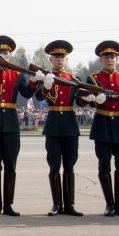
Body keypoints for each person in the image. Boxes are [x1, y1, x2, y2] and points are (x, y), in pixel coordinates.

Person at [0, 35, 41, 216]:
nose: (4, 55)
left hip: (11, 123)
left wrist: (35, 82)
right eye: (0, 53)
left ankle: (9, 204)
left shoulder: (18, 75)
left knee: (11, 164)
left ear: (10, 54)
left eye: (6, 52)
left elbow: (26, 94)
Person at [34, 40, 85, 216]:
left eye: (62, 56)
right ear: (50, 59)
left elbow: (80, 100)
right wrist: (46, 87)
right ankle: (57, 204)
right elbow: (39, 97)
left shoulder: (73, 79)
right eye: (56, 57)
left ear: (67, 58)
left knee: (69, 166)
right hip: (54, 124)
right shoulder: (47, 77)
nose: (60, 59)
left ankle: (69, 204)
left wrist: (92, 97)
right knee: (54, 166)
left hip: (70, 125)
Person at [83, 41, 119, 217]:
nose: (109, 60)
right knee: (104, 166)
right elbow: (84, 99)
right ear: (101, 60)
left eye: (112, 57)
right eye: (106, 57)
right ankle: (109, 204)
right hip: (102, 124)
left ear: (117, 59)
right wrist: (95, 100)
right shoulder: (93, 78)